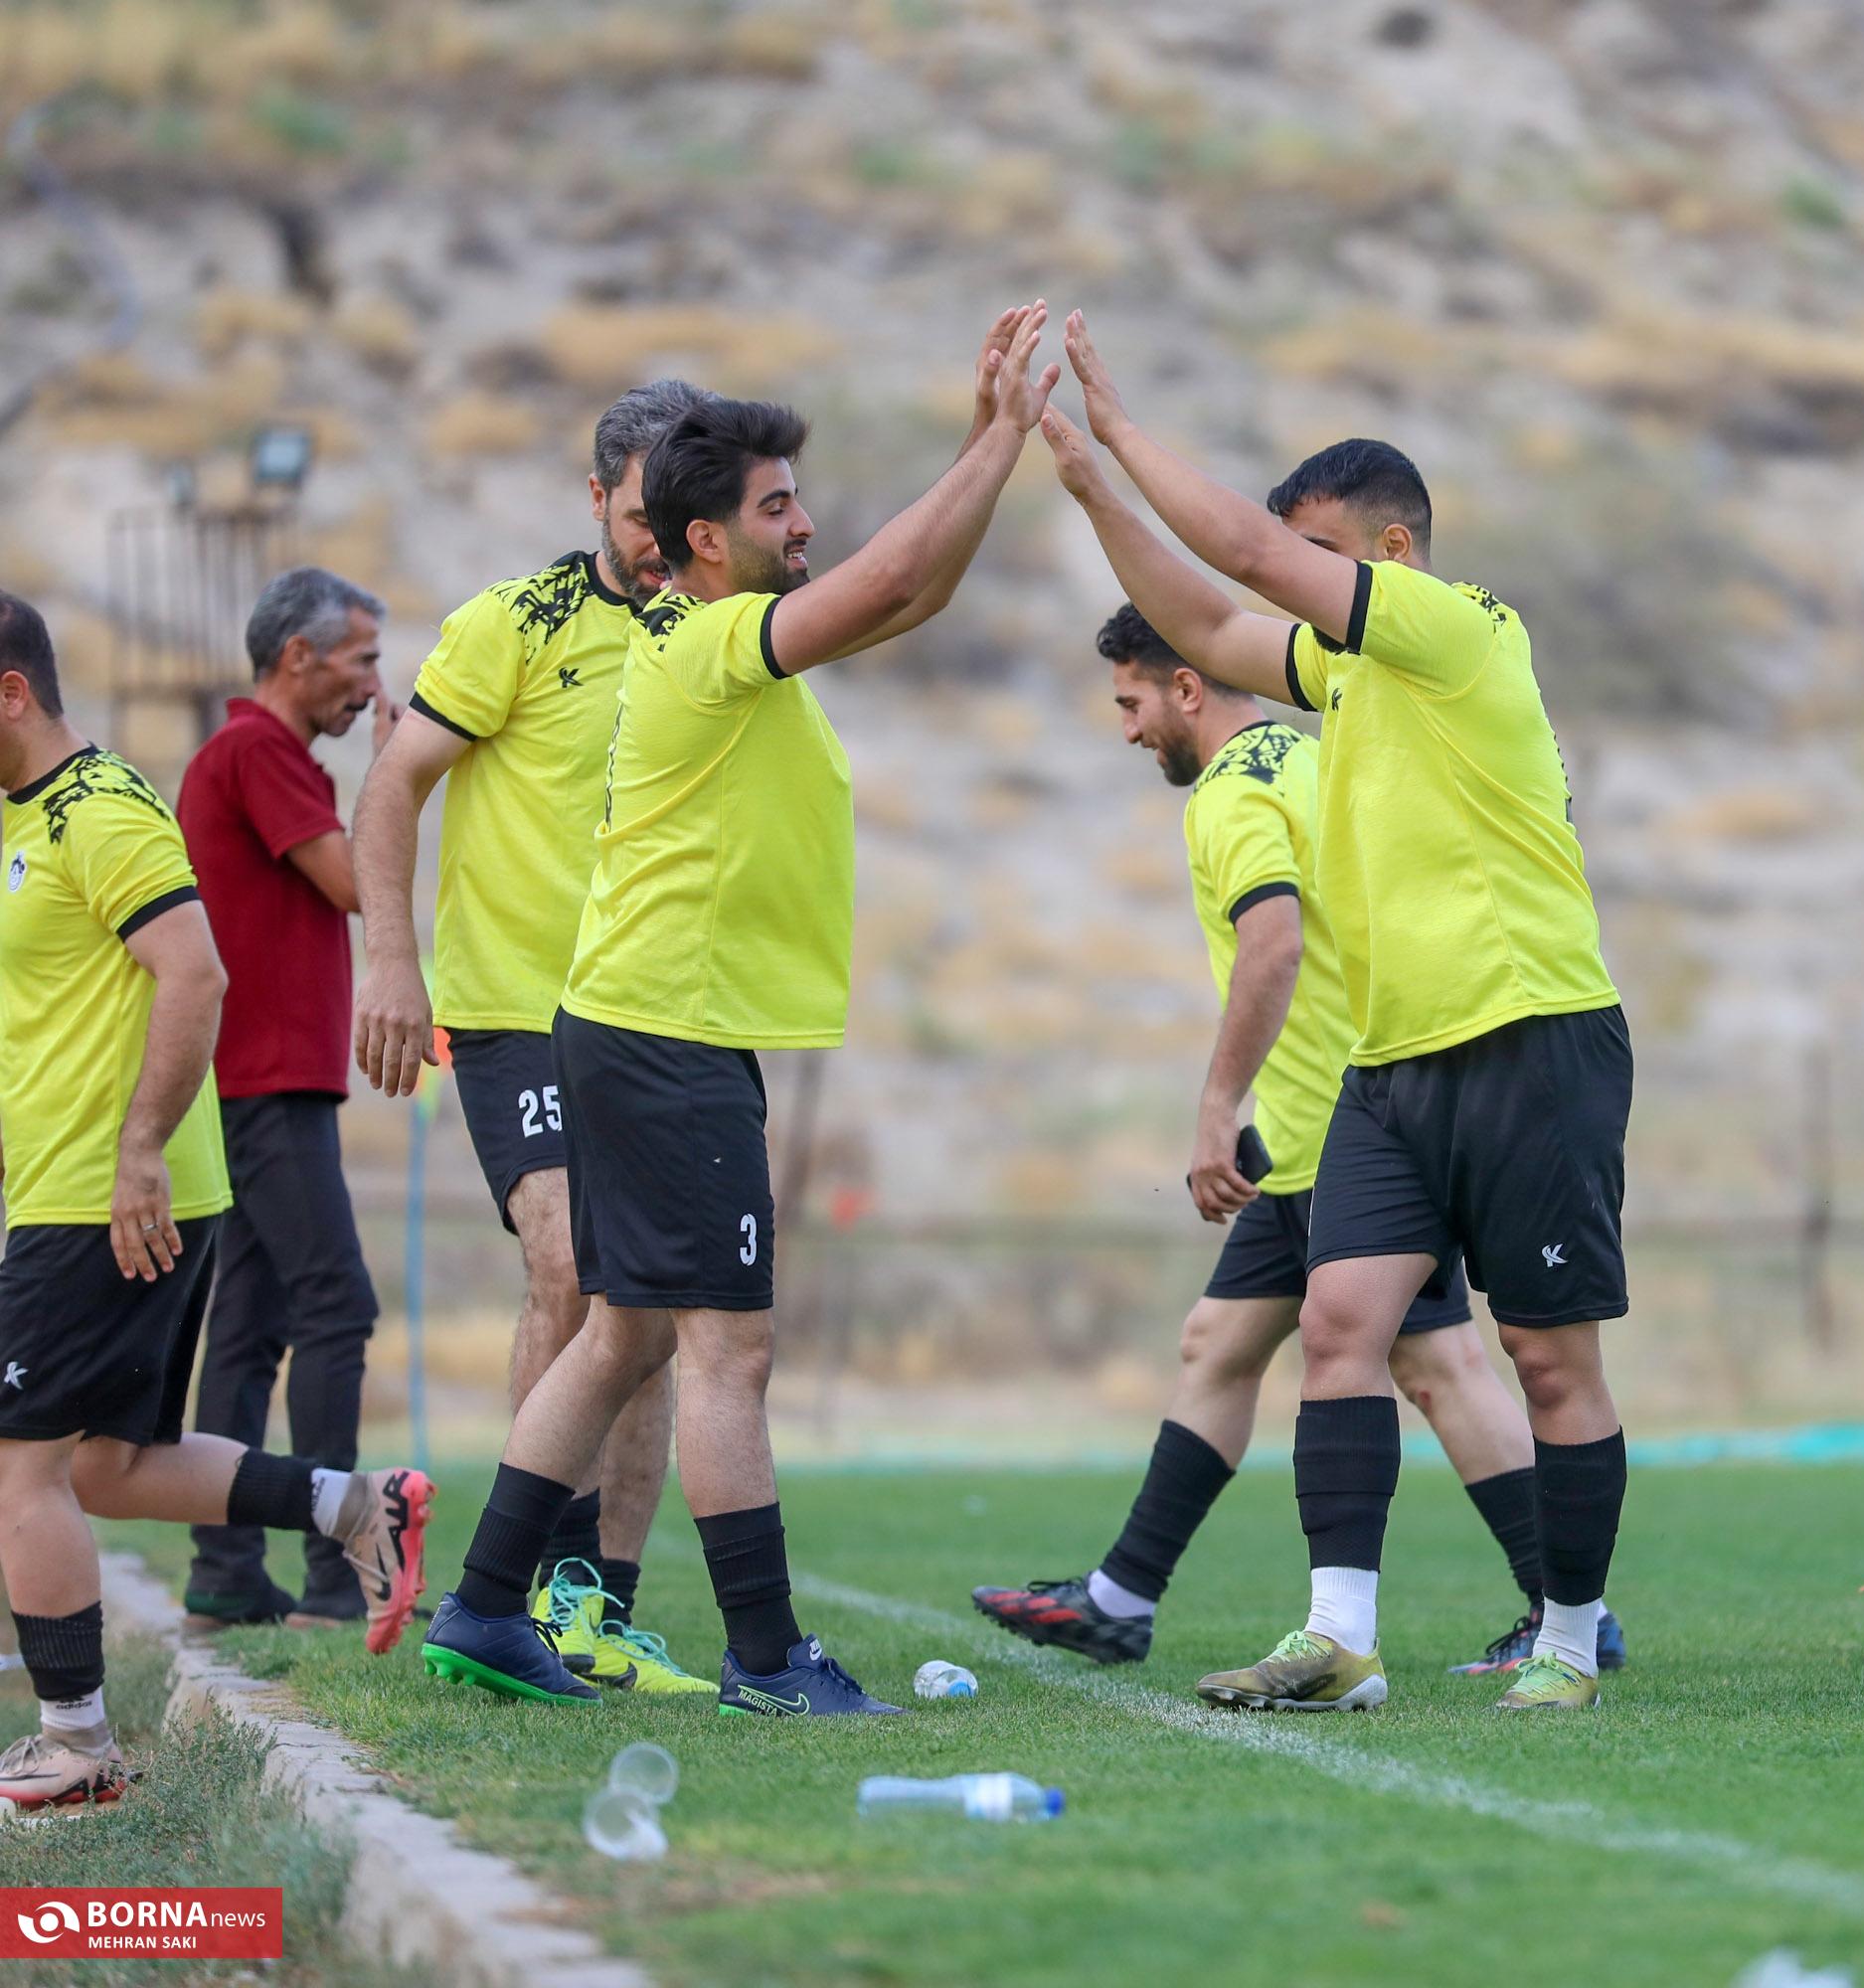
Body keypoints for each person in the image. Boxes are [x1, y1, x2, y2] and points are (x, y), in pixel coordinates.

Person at [417, 305, 1060, 1716]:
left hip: (649, 1027)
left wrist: (981, 443)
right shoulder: (711, 644)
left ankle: (484, 1605)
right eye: (778, 507)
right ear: (706, 540)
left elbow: (909, 596)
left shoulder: (709, 634)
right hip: (669, 1035)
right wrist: (1005, 438)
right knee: (728, 1346)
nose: (803, 522)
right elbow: (894, 574)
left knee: (626, 1333)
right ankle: (765, 1657)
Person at [1038, 310, 1630, 1714]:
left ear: (1394, 554)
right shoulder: (1351, 668)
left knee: (1548, 1363)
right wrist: (1087, 486)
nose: (1305, 587)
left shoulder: (1465, 629)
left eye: (1327, 557)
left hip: (1532, 1037)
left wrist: (1121, 427)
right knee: (1339, 1325)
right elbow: (1204, 623)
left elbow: (1247, 561)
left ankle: (1567, 1640)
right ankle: (1340, 1639)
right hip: (1394, 1062)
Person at [969, 606, 1626, 1680]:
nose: (1128, 729)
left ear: (1189, 687)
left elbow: (1273, 944)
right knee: (1219, 1342)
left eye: (1132, 702)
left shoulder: (1231, 792)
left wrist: (1215, 1102)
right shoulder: (1318, 753)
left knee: (1438, 1361)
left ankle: (1563, 1611)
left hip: (1342, 1121)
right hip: (1314, 1120)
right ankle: (1122, 1595)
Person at [0, 593, 429, 1810]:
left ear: (11, 692)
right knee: (104, 1463)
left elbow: (196, 972)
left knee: (18, 1468)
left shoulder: (101, 805)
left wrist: (138, 1151)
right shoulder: (24, 818)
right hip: (71, 1185)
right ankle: (352, 1505)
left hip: (108, 1190)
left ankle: (77, 1741)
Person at [352, 382, 713, 1695]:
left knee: (650, 1304)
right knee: (567, 1263)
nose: (660, 537)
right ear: (598, 496)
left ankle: (599, 1606)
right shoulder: (515, 622)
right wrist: (393, 959)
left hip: (655, 1013)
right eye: (641, 512)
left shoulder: (713, 629)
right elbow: (394, 784)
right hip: (513, 1007)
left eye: (682, 513)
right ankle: (526, 1589)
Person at [172, 567, 393, 1633]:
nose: (374, 685)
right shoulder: (257, 750)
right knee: (335, 1305)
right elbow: (356, 882)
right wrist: (397, 770)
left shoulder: (259, 755)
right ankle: (332, 1573)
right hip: (265, 1083)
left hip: (252, 1081)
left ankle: (224, 1571)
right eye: (361, 660)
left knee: (250, 1327)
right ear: (296, 656)